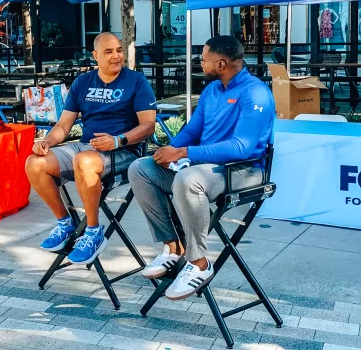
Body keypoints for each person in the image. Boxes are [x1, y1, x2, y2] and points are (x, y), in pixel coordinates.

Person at [128, 35, 273, 301]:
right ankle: (173, 248)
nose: (200, 63)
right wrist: (168, 152)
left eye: (204, 59)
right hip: (205, 166)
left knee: (188, 179)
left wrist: (184, 153)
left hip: (244, 170)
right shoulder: (212, 90)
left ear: (221, 63)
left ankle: (199, 264)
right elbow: (193, 130)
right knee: (141, 168)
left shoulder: (256, 92)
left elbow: (242, 147)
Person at [25, 32, 156, 265]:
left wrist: (118, 140)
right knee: (34, 162)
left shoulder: (136, 81)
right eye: (109, 52)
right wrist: (47, 141)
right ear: (95, 56)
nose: (117, 56)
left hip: (124, 151)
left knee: (84, 160)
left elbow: (148, 126)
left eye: (119, 50)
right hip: (87, 148)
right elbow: (64, 125)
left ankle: (94, 232)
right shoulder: (83, 82)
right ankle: (65, 223)